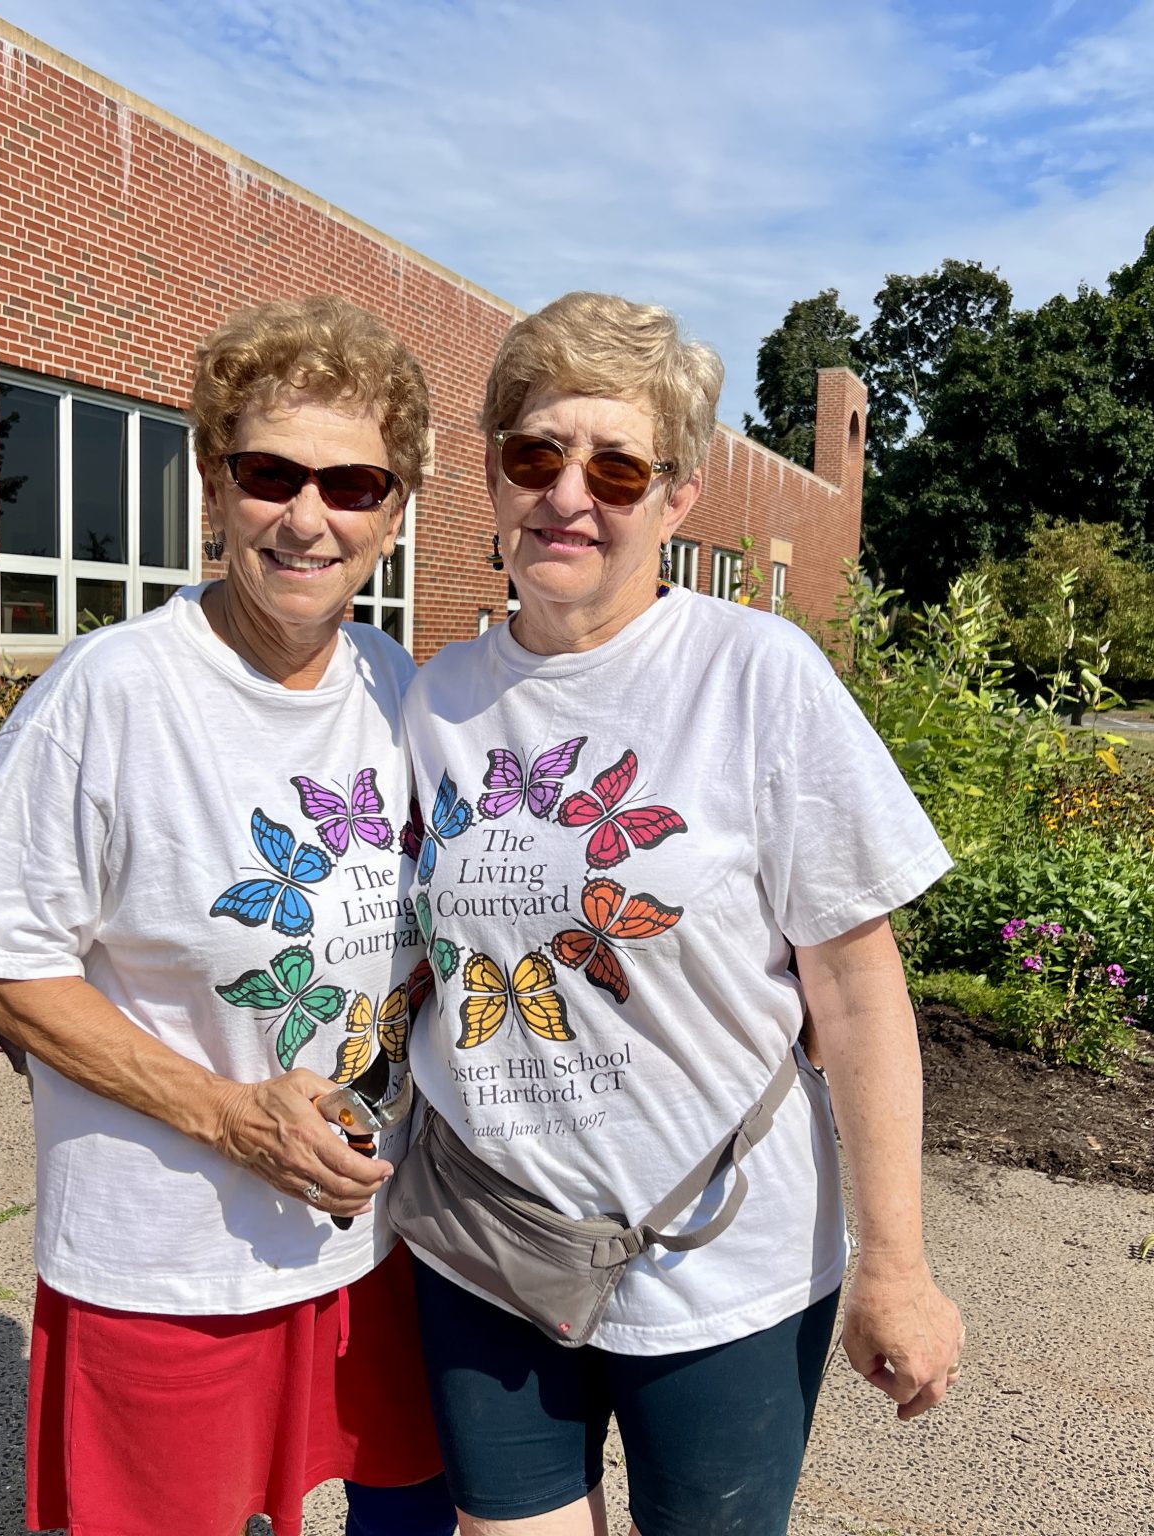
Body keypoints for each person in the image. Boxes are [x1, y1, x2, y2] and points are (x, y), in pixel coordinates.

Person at [394, 291, 963, 1535]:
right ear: (491, 478)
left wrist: (898, 1264)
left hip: (722, 1263)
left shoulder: (757, 678)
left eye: (614, 466)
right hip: (486, 1240)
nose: (567, 495)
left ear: (674, 499)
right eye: (534, 455)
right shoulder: (434, 699)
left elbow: (859, 998)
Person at [0, 296, 454, 1536]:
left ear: (395, 508)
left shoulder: (397, 685)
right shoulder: (108, 696)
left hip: (370, 1244)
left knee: (409, 1512)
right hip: (164, 1263)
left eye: (354, 483)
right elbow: (3, 972)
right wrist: (230, 1117)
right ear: (213, 485)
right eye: (269, 472)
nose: (307, 516)